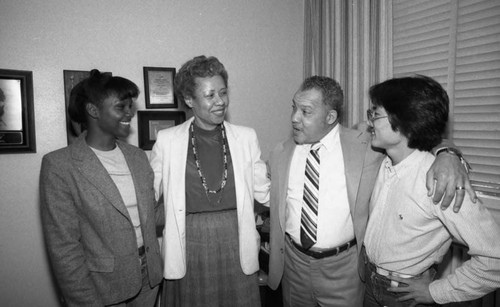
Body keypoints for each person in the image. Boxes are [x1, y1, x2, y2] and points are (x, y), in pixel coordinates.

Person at [266, 76, 475, 307]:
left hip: (344, 270)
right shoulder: (280, 152)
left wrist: (448, 153)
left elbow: (417, 132)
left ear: (330, 117)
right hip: (293, 266)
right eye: (294, 108)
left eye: (305, 111)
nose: (294, 117)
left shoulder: (366, 144)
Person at [363, 75, 500, 306]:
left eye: (375, 115)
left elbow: (494, 259)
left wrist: (436, 292)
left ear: (403, 121)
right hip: (368, 281)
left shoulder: (440, 181)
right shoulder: (381, 159)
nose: (369, 123)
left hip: (404, 295)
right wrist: (448, 151)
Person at [150, 55, 270, 307]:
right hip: (187, 243)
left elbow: (265, 192)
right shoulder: (167, 140)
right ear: (189, 100)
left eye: (223, 93)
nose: (220, 102)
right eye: (210, 95)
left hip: (236, 240)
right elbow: (148, 197)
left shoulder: (246, 138)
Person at [40, 69, 163, 306]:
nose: (129, 113)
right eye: (121, 107)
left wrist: (187, 194)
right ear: (93, 111)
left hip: (149, 278)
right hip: (101, 287)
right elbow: (64, 248)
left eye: (130, 106)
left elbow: (150, 216)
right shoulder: (59, 165)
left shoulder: (137, 157)